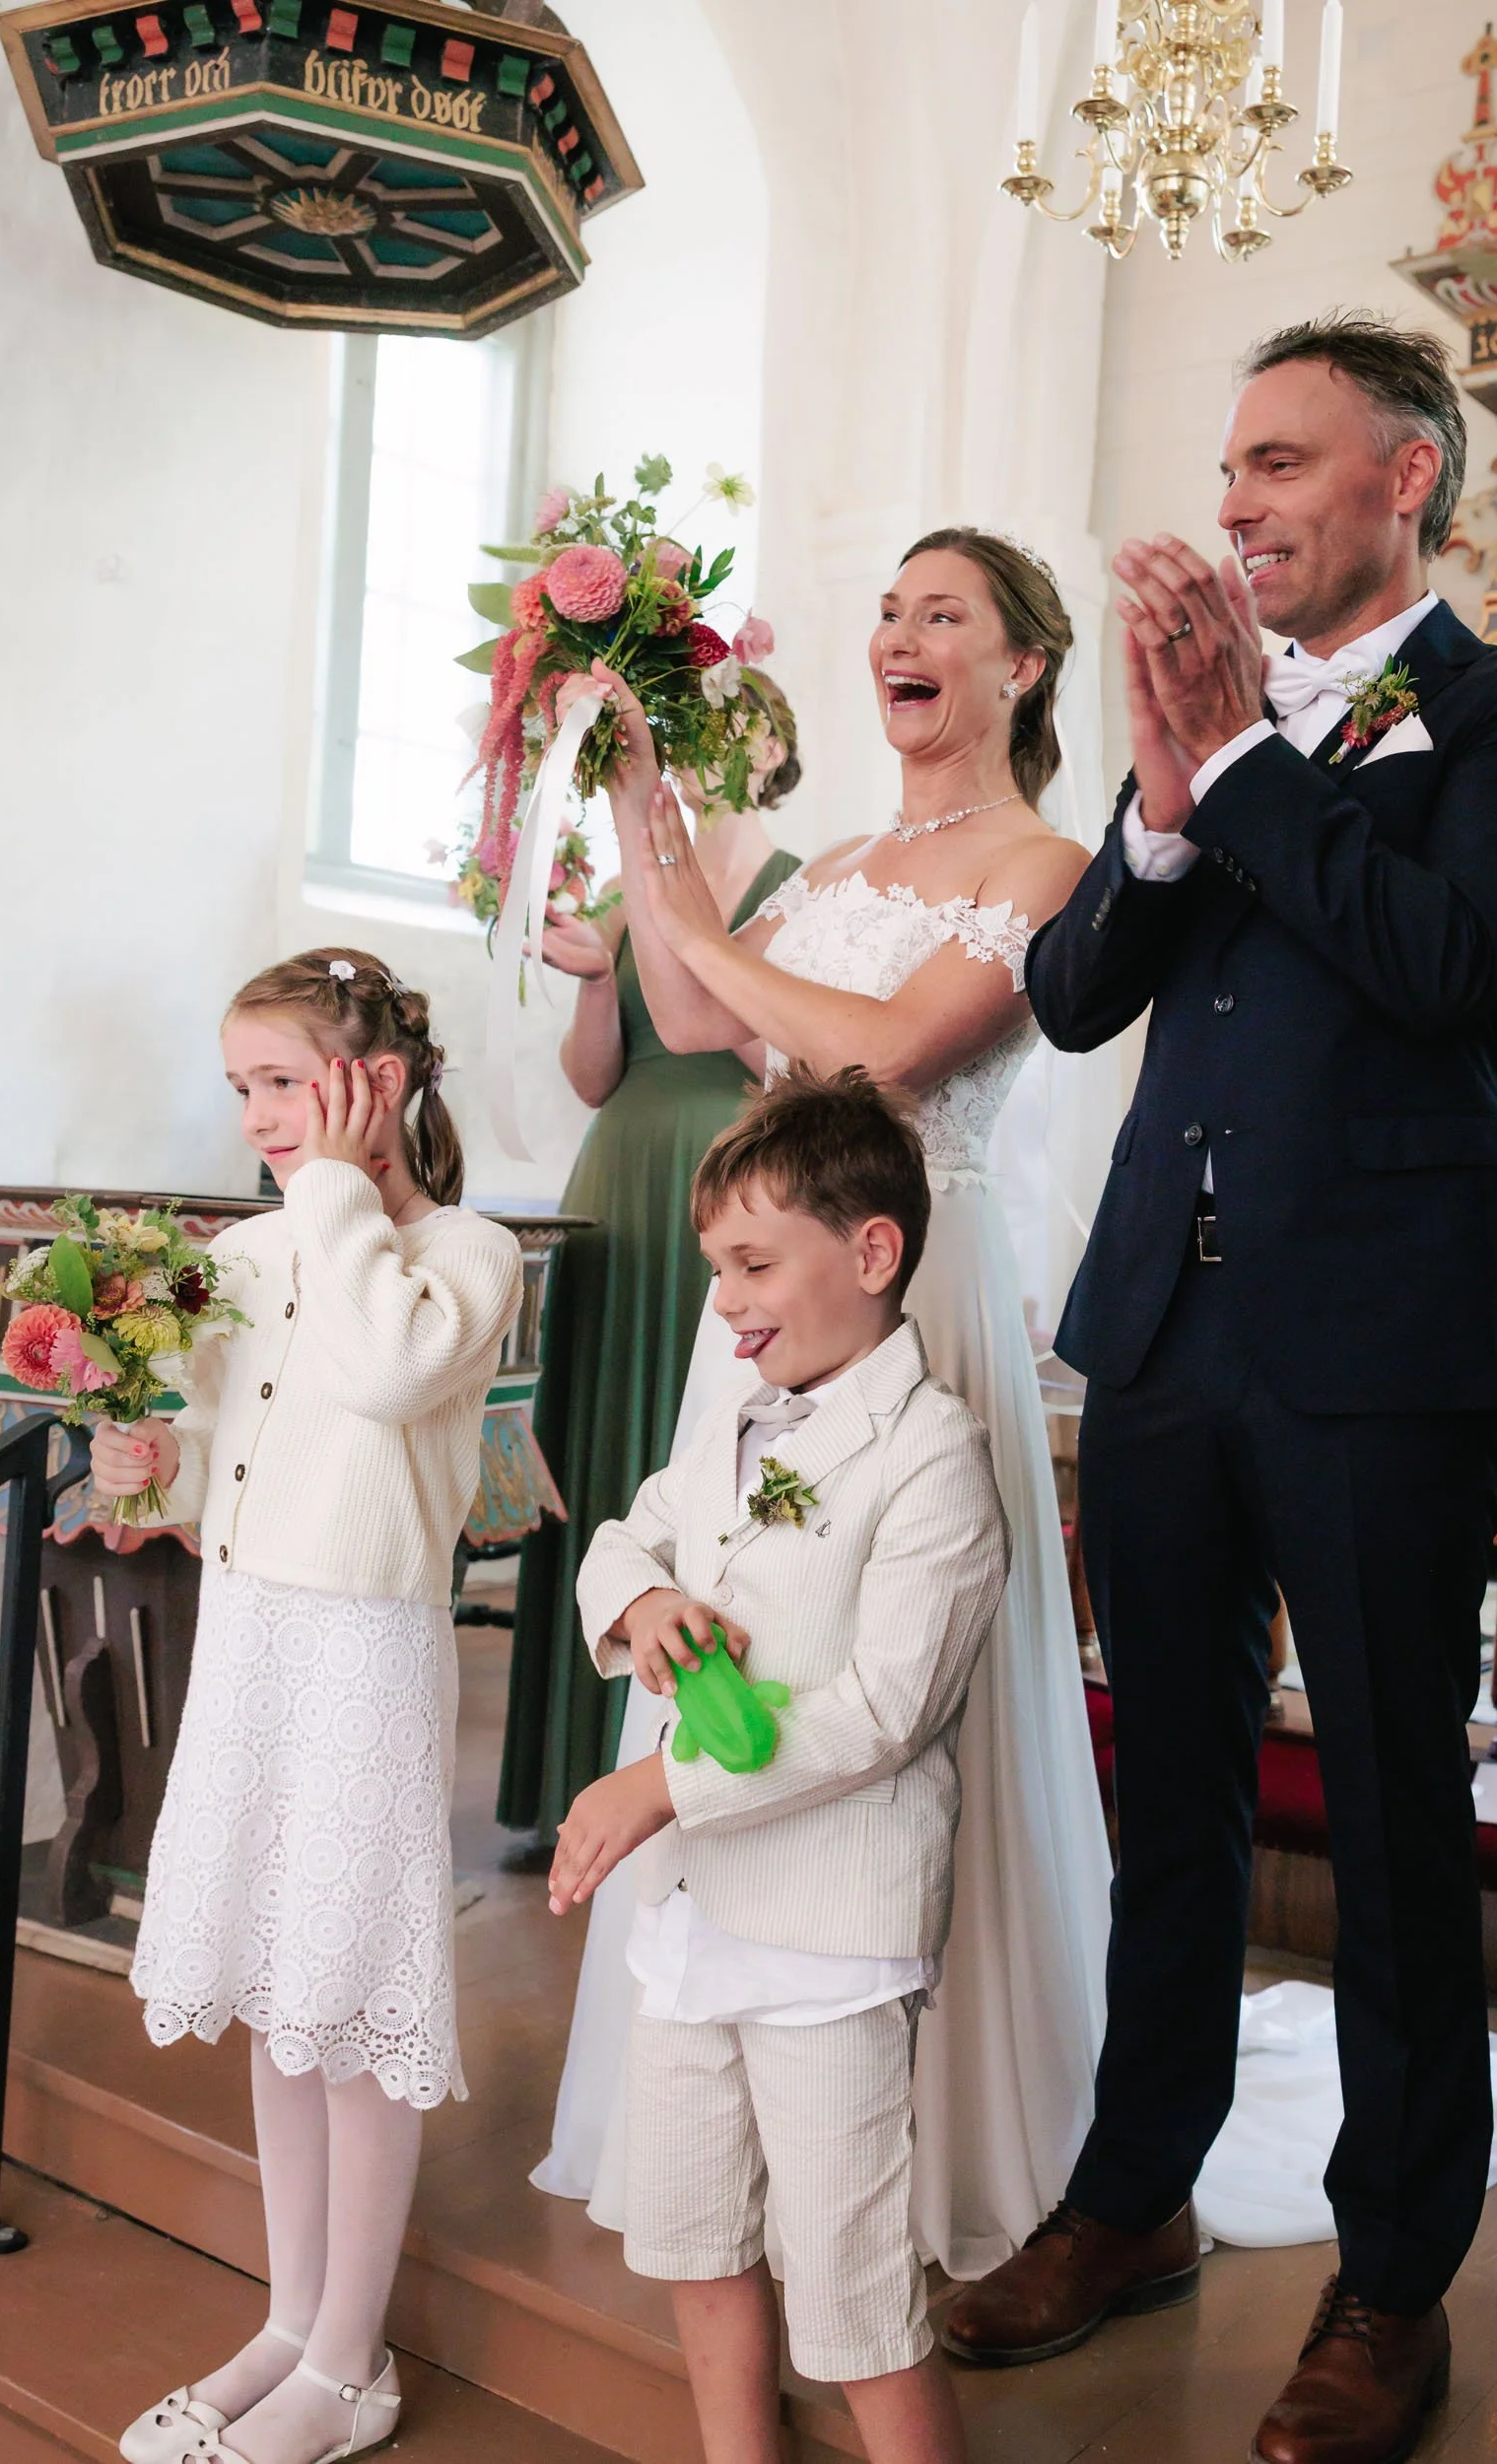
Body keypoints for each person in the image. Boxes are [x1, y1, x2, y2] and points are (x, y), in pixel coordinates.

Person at [941, 314, 1497, 2464]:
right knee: (1178, 1797)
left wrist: (1240, 771)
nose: (1234, 501)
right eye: (1228, 468)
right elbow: (1066, 995)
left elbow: (1440, 971)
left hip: (1384, 1335)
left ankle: (1391, 2280)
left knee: (1400, 1817)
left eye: (1280, 462)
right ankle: (1135, 2190)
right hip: (1166, 1324)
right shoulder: (1206, 738)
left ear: (1407, 478)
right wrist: (1157, 807)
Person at [531, 528, 1112, 2284]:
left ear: (1022, 667)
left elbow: (889, 1051)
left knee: (884, 1659)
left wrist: (709, 924)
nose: (899, 637)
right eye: (888, 612)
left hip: (908, 1272)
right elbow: (698, 1002)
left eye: (946, 615)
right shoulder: (850, 853)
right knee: (733, 1598)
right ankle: (715, 2073)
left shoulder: (1050, 861)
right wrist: (645, 809)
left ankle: (921, 2102)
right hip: (767, 1300)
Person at [100, 950, 522, 2464]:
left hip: (362, 1649)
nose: (258, 1119)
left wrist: (337, 1195)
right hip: (253, 1635)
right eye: (243, 1091)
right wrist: (158, 1460)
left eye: (281, 1084)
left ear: (377, 1083)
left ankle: (353, 2364)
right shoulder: (262, 1247)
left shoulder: (466, 1255)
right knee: (280, 2000)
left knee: (344, 1995)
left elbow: (395, 1370)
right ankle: (290, 2318)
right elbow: (228, 1424)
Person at [547, 1067, 1006, 2464]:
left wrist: (656, 1788)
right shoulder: (740, 1421)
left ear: (871, 1254)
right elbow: (631, 1530)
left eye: (752, 1263)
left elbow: (881, 1712)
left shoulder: (931, 1457)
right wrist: (638, 1604)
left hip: (828, 1942)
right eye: (717, 1270)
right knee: (697, 2242)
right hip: (697, 1932)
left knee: (854, 2298)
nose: (727, 1301)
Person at [496, 674, 801, 1870]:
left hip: (739, 1184)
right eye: (693, 728)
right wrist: (588, 978)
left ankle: (692, 1759)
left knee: (705, 1460)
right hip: (620, 1182)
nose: (718, 744)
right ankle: (573, 1762)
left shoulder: (803, 882)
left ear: (777, 745)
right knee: (599, 1447)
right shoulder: (633, 887)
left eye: (745, 721)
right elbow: (592, 1077)